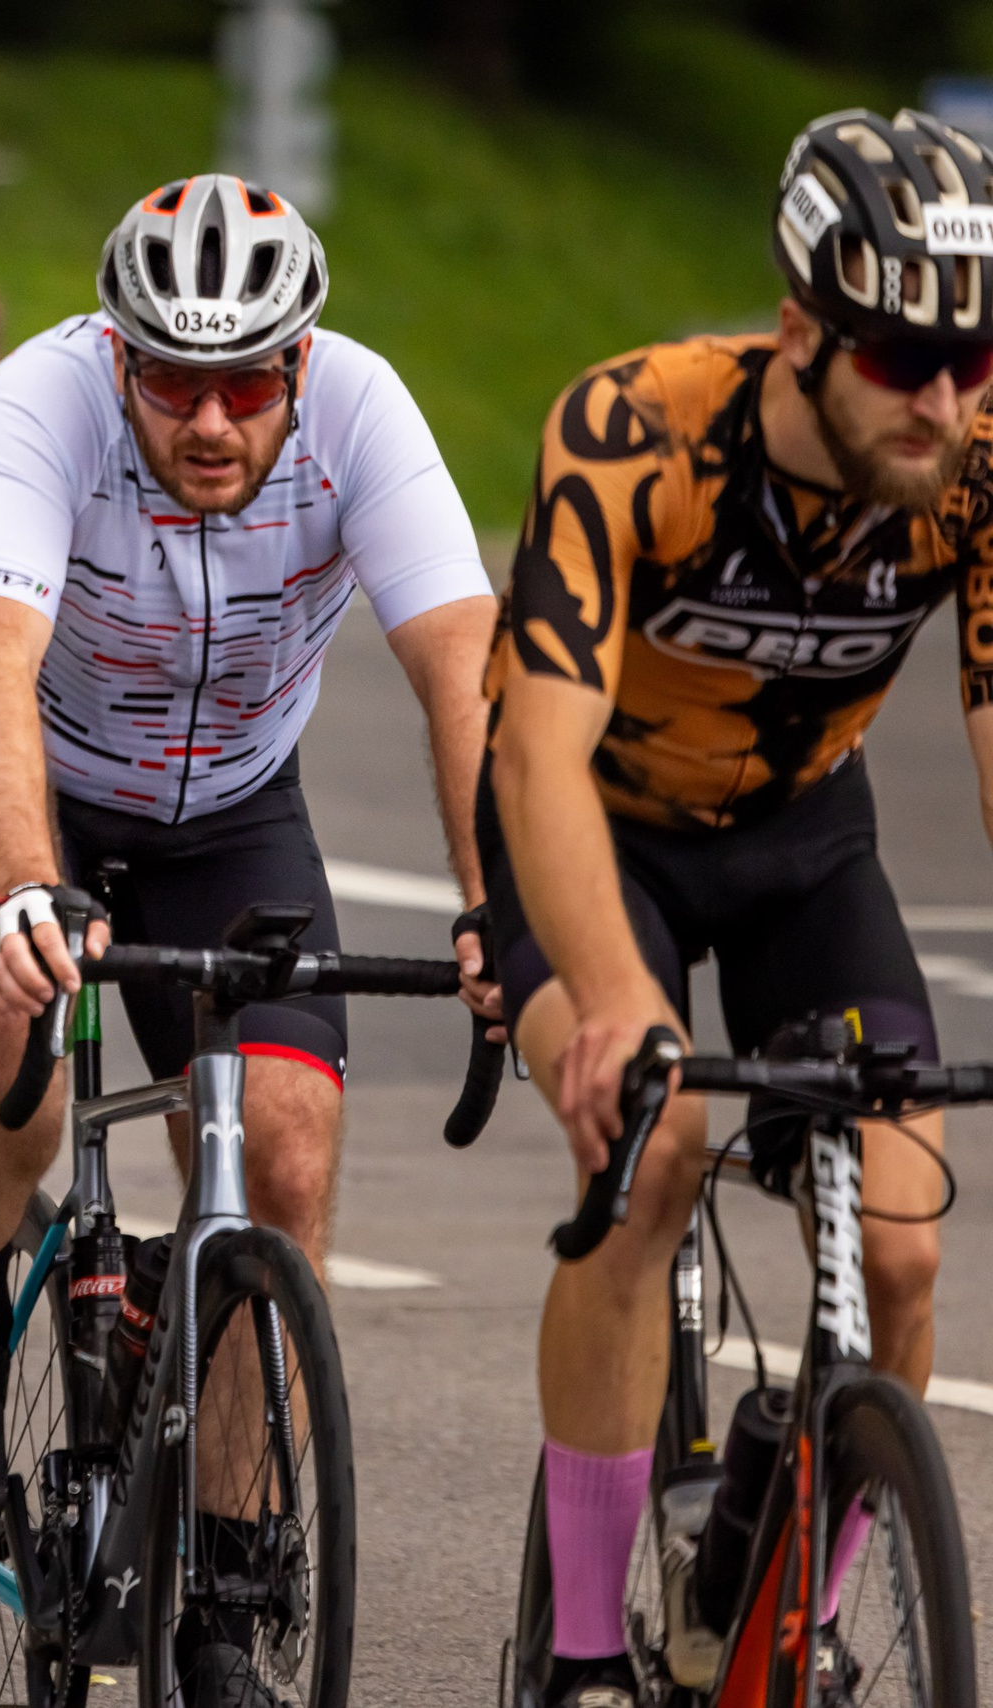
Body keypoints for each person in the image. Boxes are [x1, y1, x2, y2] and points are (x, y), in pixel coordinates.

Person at [0, 173, 498, 1683]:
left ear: (299, 364)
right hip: (14, 767)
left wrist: (504, 911)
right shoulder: (41, 403)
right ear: (117, 358)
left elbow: (466, 673)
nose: (208, 422)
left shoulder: (364, 414)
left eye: (243, 385)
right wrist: (27, 888)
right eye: (171, 381)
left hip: (227, 802)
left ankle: (230, 1583)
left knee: (280, 1158)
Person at [480, 107, 993, 1708]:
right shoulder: (637, 434)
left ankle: (798, 1611)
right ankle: (578, 1661)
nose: (948, 401)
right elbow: (537, 749)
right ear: (800, 329)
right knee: (656, 1158)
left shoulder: (980, 468)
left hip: (801, 843)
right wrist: (620, 1003)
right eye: (906, 358)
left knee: (905, 1244)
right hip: (596, 829)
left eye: (979, 361)